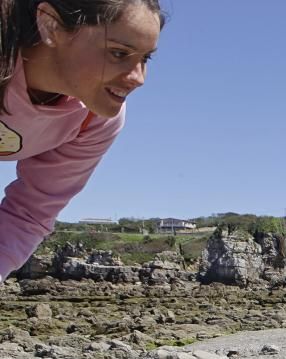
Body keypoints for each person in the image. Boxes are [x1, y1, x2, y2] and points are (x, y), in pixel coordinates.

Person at [0, 0, 164, 281]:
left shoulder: (95, 119)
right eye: (118, 52)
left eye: (145, 59)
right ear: (50, 24)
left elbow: (29, 213)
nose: (139, 78)